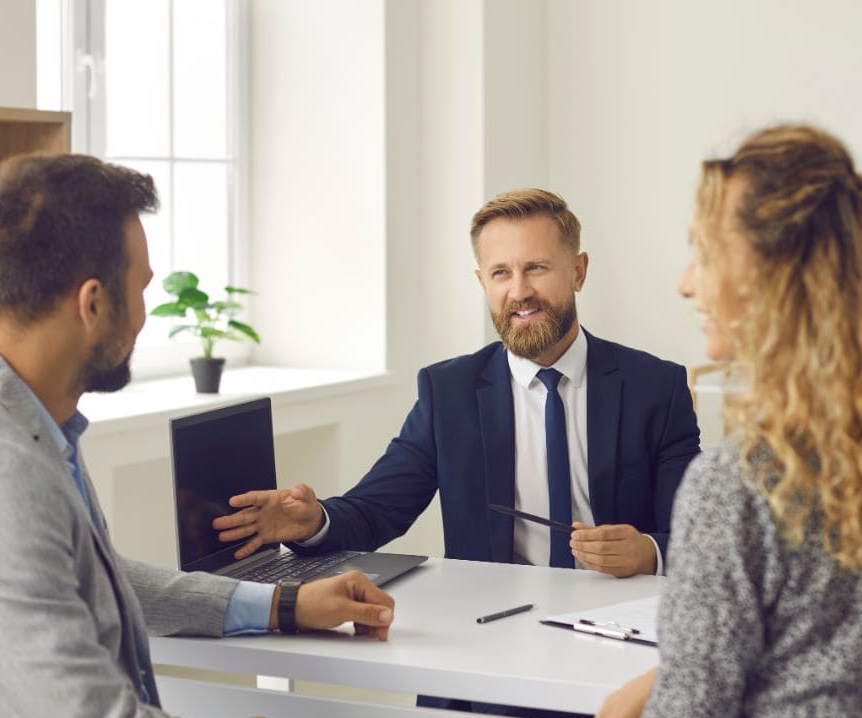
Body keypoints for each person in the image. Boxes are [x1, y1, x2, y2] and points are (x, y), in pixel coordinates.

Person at [0, 153, 396, 718]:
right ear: (93, 303)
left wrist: (282, 604)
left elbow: (83, 573)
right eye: (140, 290)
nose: (143, 315)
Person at [484, 124, 862, 718]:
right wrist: (674, 675)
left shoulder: (739, 484)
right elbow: (828, 664)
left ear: (773, 280)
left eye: (703, 255)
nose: (684, 283)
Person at [214, 188, 701, 580]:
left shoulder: (656, 387)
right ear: (482, 282)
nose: (520, 291)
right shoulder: (448, 392)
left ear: (578, 271)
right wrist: (314, 521)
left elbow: (696, 540)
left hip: (616, 626)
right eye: (500, 273)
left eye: (536, 267)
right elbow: (376, 510)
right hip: (489, 628)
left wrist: (647, 552)